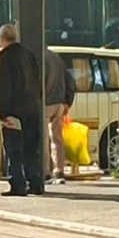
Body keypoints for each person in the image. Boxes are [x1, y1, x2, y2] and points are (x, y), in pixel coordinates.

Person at [0, 24, 43, 197]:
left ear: (1, 39)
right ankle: (35, 182)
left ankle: (17, 184)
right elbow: (38, 80)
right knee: (31, 148)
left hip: (14, 110)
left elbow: (4, 87)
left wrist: (3, 112)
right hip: (32, 108)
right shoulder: (28, 55)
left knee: (14, 149)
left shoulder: (5, 58)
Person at [43, 49, 68, 184]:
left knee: (44, 137)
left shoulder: (40, 58)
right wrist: (67, 101)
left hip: (46, 102)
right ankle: (59, 170)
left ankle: (45, 171)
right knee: (57, 138)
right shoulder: (56, 57)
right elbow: (68, 79)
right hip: (59, 101)